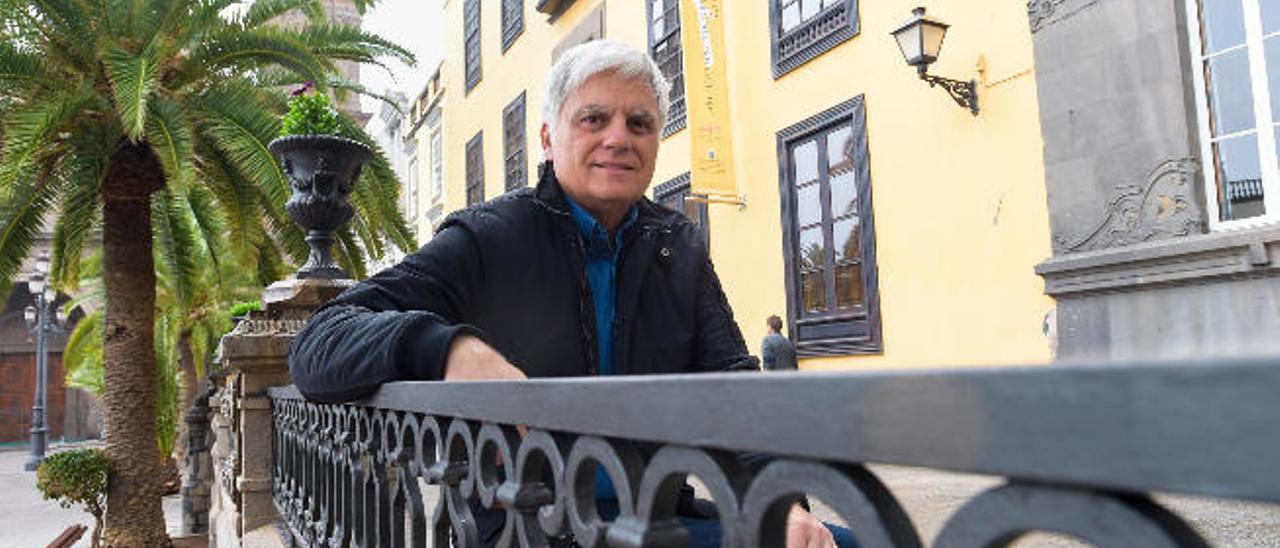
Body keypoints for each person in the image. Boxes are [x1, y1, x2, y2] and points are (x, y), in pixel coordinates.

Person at [288, 39, 854, 548]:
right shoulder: (487, 237)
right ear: (547, 137)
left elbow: (735, 389)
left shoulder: (676, 245)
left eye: (639, 123)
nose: (618, 138)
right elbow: (318, 343)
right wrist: (447, 348)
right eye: (593, 118)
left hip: (653, 518)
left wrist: (780, 504)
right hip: (526, 526)